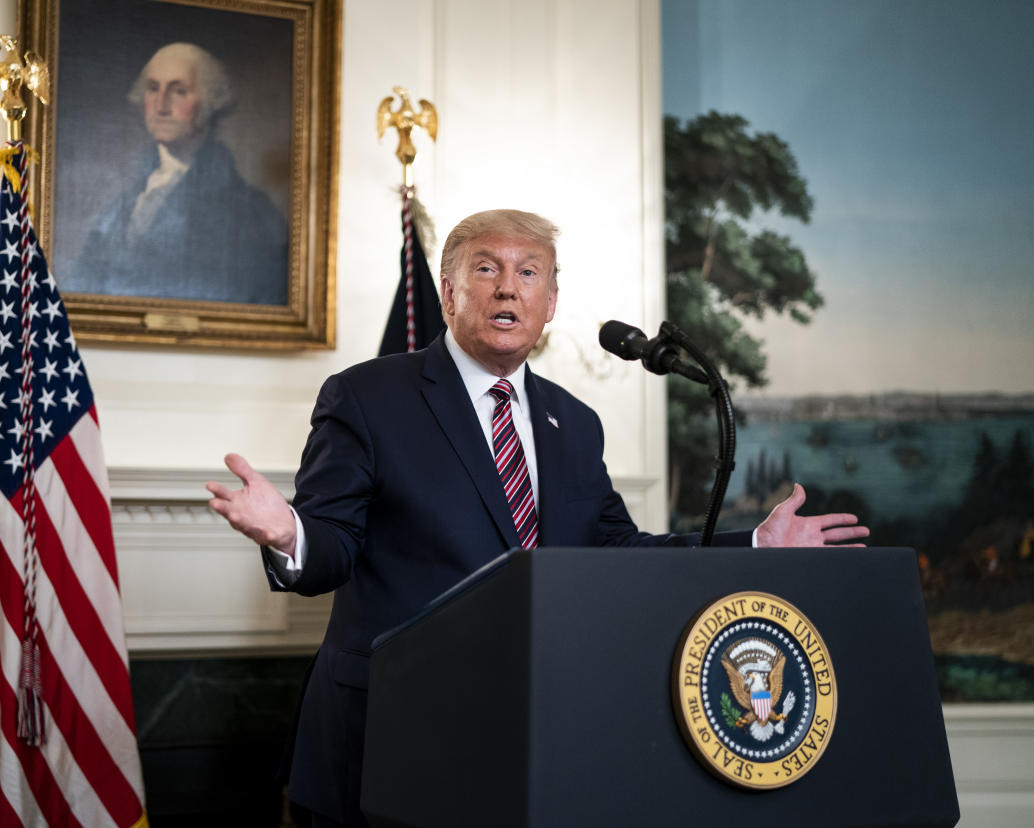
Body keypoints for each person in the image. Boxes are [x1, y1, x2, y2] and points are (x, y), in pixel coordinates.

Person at [206, 209, 869, 826]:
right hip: (388, 739)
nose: (507, 290)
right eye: (486, 269)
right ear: (449, 291)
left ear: (550, 304)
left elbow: (616, 549)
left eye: (529, 273)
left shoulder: (574, 423)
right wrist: (289, 532)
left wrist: (753, 543)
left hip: (525, 742)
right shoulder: (366, 396)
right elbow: (334, 548)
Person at [65, 42, 288, 305]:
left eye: (179, 91)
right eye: (152, 88)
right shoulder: (121, 205)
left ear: (209, 102)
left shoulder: (250, 211)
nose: (161, 106)